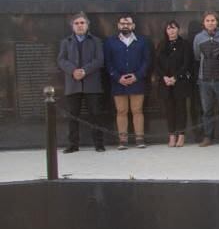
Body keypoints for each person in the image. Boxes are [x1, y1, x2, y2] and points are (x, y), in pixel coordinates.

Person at [56, 12, 106, 153]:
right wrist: (73, 71)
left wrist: (84, 71)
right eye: (76, 23)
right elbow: (61, 60)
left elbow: (99, 60)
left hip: (92, 84)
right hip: (73, 84)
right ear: (72, 26)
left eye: (82, 23)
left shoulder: (96, 41)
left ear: (87, 25)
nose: (79, 25)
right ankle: (73, 145)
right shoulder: (66, 42)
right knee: (72, 116)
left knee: (95, 115)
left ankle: (99, 144)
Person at [104, 13, 151, 150]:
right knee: (121, 111)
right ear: (118, 25)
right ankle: (123, 140)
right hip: (118, 82)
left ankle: (139, 139)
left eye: (128, 23)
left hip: (137, 81)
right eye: (123, 23)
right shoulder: (110, 42)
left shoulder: (142, 41)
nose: (125, 25)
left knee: (137, 110)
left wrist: (137, 76)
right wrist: (117, 77)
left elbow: (146, 61)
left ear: (133, 26)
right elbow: (108, 62)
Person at [193, 11, 219, 147]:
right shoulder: (198, 38)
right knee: (207, 110)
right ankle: (207, 136)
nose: (210, 23)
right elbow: (197, 56)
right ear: (204, 23)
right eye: (208, 20)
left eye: (213, 20)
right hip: (204, 80)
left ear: (217, 22)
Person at [154, 20, 193, 147]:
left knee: (181, 109)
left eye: (174, 28)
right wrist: (164, 77)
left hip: (180, 82)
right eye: (169, 28)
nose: (171, 31)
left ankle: (181, 136)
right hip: (165, 83)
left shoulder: (185, 44)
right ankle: (171, 136)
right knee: (169, 110)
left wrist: (175, 77)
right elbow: (156, 64)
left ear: (178, 29)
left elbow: (187, 63)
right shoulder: (161, 45)